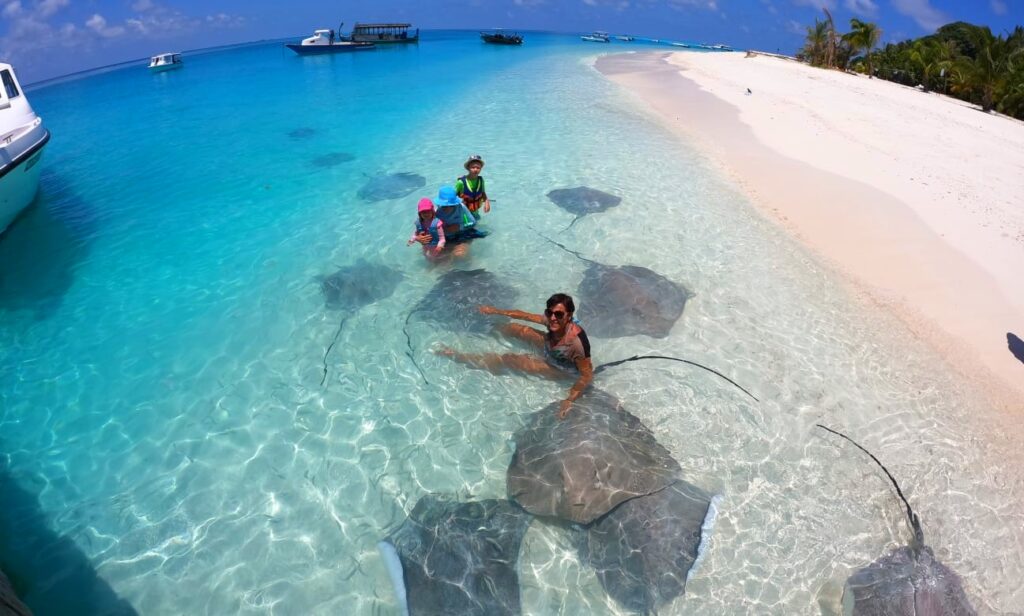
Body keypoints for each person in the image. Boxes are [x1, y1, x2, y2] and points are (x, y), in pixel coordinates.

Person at [436, 293, 593, 419]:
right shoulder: (553, 321)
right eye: (549, 312)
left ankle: (458, 356)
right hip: (551, 348)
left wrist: (569, 400)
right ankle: (483, 331)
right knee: (514, 328)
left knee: (510, 360)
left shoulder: (576, 343)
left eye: (558, 314)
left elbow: (586, 375)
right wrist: (495, 311)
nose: (552, 318)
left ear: (569, 316)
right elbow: (525, 315)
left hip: (560, 368)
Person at [433, 185, 476, 257]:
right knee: (440, 256)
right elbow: (430, 228)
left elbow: (473, 223)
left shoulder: (461, 207)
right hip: (447, 238)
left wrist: (460, 227)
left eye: (451, 205)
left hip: (462, 235)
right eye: (444, 206)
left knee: (460, 254)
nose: (448, 208)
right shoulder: (437, 212)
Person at [455, 154, 490, 221]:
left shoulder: (481, 180)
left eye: (478, 168)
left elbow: (483, 193)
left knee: (476, 221)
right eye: (473, 167)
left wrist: (486, 202)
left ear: (481, 169)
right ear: (468, 168)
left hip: (475, 210)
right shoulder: (461, 182)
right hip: (463, 211)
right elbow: (453, 195)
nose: (475, 169)